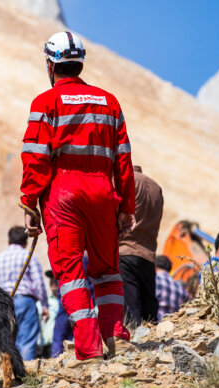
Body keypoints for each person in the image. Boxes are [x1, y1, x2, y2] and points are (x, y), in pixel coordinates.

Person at [20, 31, 136, 367]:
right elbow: (124, 158)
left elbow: (36, 156)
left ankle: (89, 350)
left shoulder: (45, 102)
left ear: (50, 64)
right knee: (107, 269)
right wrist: (126, 206)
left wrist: (30, 202)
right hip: (103, 191)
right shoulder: (109, 101)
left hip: (63, 193)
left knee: (70, 271)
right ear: (79, 62)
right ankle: (115, 335)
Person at [0, 226, 49, 361]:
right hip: (25, 301)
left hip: (2, 303)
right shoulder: (29, 257)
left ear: (8, 241)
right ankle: (25, 375)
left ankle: (10, 372)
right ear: (26, 242)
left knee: (7, 340)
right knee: (27, 340)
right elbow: (38, 283)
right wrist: (44, 305)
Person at [119, 165, 164, 327]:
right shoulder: (156, 187)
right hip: (148, 255)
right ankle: (154, 344)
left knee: (131, 308)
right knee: (149, 309)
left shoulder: (126, 181)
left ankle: (135, 344)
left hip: (125, 251)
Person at [155, 255, 190, 320]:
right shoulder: (180, 288)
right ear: (169, 269)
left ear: (155, 267)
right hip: (172, 326)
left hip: (155, 324)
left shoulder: (153, 280)